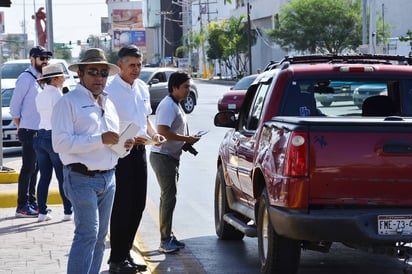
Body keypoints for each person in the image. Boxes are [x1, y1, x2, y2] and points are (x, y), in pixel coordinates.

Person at [51, 48, 134, 274]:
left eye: (103, 73)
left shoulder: (109, 103)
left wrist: (124, 147)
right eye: (93, 72)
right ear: (80, 74)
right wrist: (100, 139)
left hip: (109, 178)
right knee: (87, 234)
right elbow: (60, 143)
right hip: (81, 177)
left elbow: (112, 144)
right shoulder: (68, 102)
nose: (99, 78)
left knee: (99, 238)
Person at [106, 45, 165, 274]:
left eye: (139, 65)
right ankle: (116, 260)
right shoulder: (110, 89)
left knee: (138, 206)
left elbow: (146, 119)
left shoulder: (142, 87)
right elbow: (108, 125)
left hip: (141, 151)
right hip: (120, 154)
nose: (136, 69)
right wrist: (129, 137)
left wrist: (153, 135)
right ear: (120, 65)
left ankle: (125, 255)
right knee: (121, 207)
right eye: (132, 65)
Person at [149, 71, 201, 253]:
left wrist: (186, 143)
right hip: (162, 157)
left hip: (170, 157)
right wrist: (186, 139)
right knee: (168, 198)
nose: (189, 90)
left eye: (189, 86)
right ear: (174, 88)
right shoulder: (168, 106)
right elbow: (162, 132)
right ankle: (165, 241)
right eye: (185, 87)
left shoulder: (176, 104)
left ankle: (168, 236)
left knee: (169, 198)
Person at [10, 45, 52, 218]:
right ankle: (22, 206)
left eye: (46, 59)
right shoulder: (25, 79)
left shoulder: (42, 78)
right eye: (41, 58)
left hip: (40, 131)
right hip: (28, 130)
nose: (45, 62)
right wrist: (22, 127)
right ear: (32, 59)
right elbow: (14, 109)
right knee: (28, 168)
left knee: (36, 169)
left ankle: (32, 202)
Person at [34, 63, 72, 222]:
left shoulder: (40, 94)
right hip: (53, 136)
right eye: (62, 76)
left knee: (44, 176)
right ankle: (67, 212)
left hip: (40, 135)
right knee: (62, 176)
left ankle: (41, 212)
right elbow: (63, 117)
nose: (64, 79)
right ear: (55, 78)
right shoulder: (57, 95)